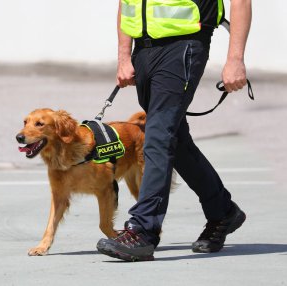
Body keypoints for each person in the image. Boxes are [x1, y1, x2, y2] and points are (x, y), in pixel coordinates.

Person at [96, 0, 252, 262]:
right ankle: (222, 211)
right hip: (143, 51)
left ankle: (143, 231)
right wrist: (124, 56)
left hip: (185, 46)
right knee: (175, 140)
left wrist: (235, 59)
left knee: (156, 137)